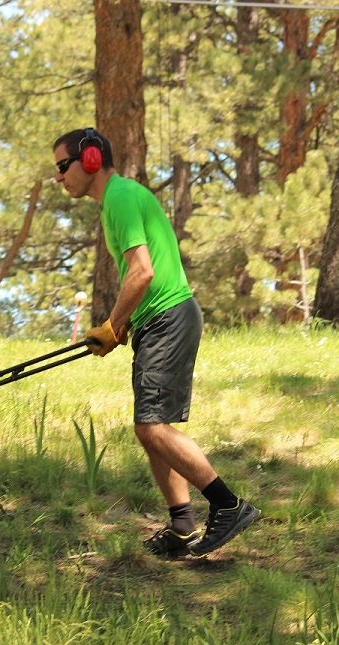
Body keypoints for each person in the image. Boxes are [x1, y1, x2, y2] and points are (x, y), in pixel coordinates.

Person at [52, 127, 258, 557]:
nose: (58, 177)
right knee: (153, 429)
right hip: (158, 319)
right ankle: (183, 526)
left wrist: (112, 325)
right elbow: (145, 275)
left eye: (62, 166)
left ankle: (227, 504)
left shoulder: (121, 197)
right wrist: (123, 325)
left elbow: (142, 272)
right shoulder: (117, 200)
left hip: (168, 317)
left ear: (90, 159)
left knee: (150, 426)